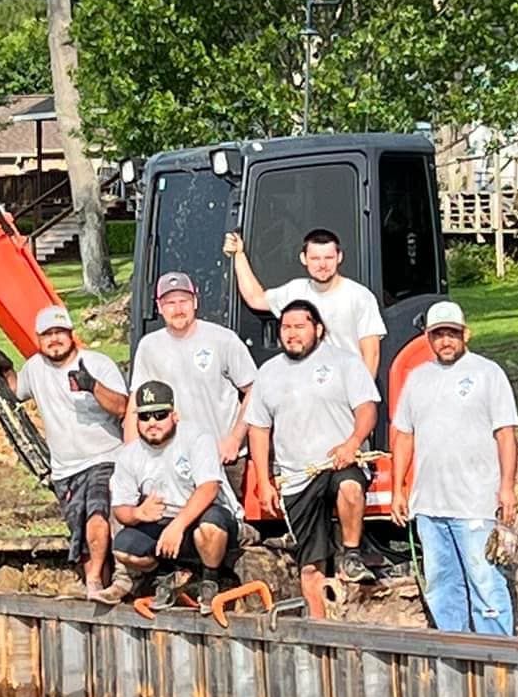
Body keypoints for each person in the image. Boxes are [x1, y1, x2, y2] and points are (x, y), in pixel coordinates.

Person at [389, 298, 518, 636]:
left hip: (474, 503)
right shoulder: (417, 379)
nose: (445, 341)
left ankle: (497, 657)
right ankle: (454, 655)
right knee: (442, 585)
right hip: (430, 505)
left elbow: (506, 434)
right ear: (428, 338)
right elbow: (403, 435)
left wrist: (507, 488)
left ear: (466, 334)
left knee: (485, 581)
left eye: (452, 333)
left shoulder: (487, 373)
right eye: (438, 334)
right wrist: (398, 490)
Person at [244, 301, 381, 618]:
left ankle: (351, 553)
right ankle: (320, 630)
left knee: (350, 487)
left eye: (299, 326)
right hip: (296, 475)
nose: (291, 334)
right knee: (310, 567)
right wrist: (264, 482)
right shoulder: (269, 373)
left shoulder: (345, 362)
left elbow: (367, 410)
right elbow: (259, 430)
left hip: (339, 462)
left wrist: (352, 443)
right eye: (286, 328)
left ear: (318, 329)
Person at [8, 306, 128, 597]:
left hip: (105, 457)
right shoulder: (35, 368)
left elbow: (123, 407)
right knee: (81, 528)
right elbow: (15, 390)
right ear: (39, 339)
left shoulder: (96, 364)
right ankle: (101, 582)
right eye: (47, 335)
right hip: (66, 468)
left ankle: (94, 582)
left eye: (59, 333)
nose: (54, 340)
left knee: (97, 514)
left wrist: (93, 387)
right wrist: (1, 366)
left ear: (71, 335)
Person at [102, 380, 241, 607]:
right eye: (145, 417)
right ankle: (169, 574)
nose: (152, 422)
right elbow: (121, 509)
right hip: (163, 523)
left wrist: (177, 525)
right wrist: (137, 513)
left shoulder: (197, 437)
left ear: (174, 415)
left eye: (160, 415)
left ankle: (210, 581)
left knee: (210, 526)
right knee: (124, 547)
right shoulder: (129, 455)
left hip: (205, 516)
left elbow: (209, 488)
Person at [126, 270, 256, 462]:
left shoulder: (223, 339)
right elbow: (136, 402)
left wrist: (235, 440)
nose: (178, 309)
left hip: (225, 456)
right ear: (159, 307)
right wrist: (130, 458)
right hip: (175, 459)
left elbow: (254, 391)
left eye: (184, 301)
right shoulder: (149, 346)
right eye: (170, 303)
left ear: (195, 302)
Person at [224, 225, 386, 377]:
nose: (322, 265)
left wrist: (362, 399)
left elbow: (371, 354)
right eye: (315, 258)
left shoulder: (360, 296)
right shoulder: (294, 291)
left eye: (328, 257)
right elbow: (255, 298)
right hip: (305, 390)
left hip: (345, 387)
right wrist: (239, 255)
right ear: (304, 258)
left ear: (339, 257)